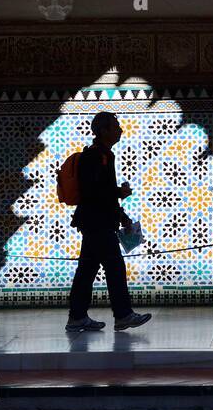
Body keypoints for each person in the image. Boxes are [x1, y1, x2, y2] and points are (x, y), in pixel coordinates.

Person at [65, 110, 152, 333]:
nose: (120, 129)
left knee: (87, 270)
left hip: (96, 222)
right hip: (97, 223)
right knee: (114, 266)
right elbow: (93, 192)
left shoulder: (103, 154)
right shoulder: (95, 156)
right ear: (103, 131)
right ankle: (123, 315)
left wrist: (123, 217)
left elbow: (102, 194)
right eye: (115, 126)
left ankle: (77, 317)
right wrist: (119, 192)